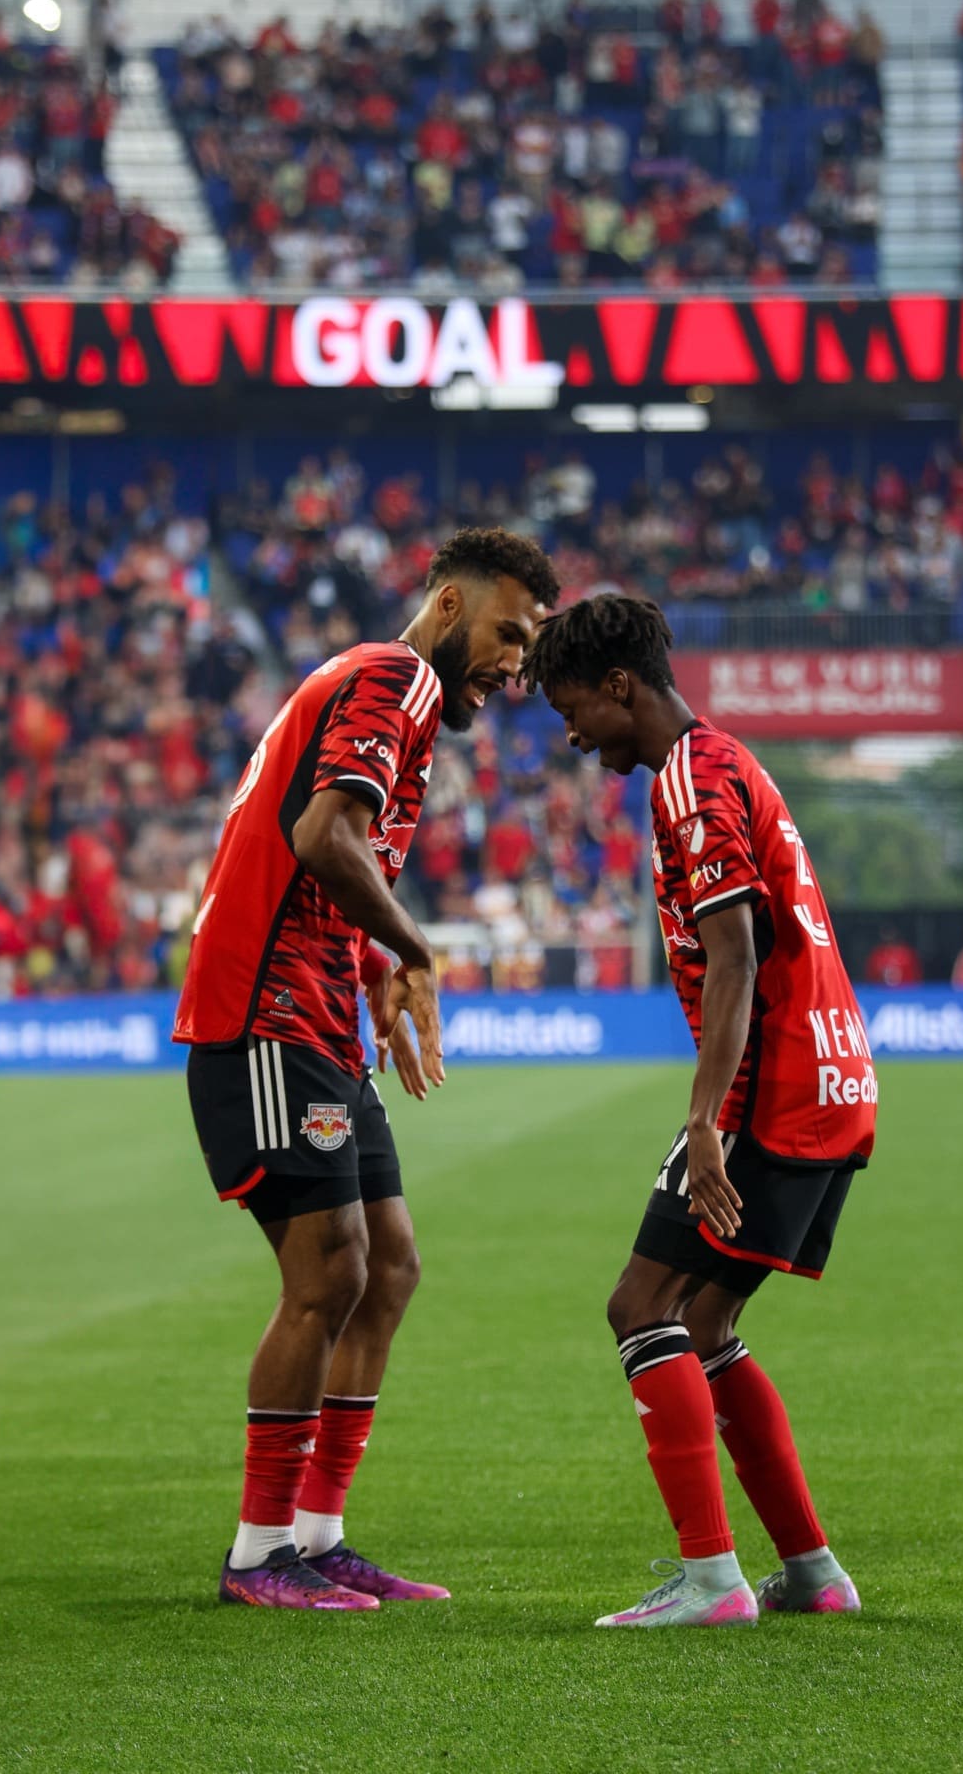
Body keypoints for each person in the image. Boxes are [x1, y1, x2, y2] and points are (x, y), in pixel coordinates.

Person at [176, 527, 559, 1611]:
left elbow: (332, 860)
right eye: (507, 633)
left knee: (388, 1265)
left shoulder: (398, 704)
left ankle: (316, 1532)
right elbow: (323, 837)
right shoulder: (391, 677)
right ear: (447, 604)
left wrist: (375, 967)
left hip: (320, 1023)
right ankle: (259, 1554)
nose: (516, 666)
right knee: (330, 1271)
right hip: (263, 1019)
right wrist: (417, 948)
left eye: (528, 648)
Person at [523, 595, 875, 1629]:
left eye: (572, 704)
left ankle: (712, 1579)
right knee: (707, 1319)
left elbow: (735, 951)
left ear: (620, 683)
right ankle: (811, 1572)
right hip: (833, 1074)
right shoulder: (727, 760)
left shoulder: (688, 778)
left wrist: (705, 1116)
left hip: (775, 1088)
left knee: (640, 1306)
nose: (571, 730)